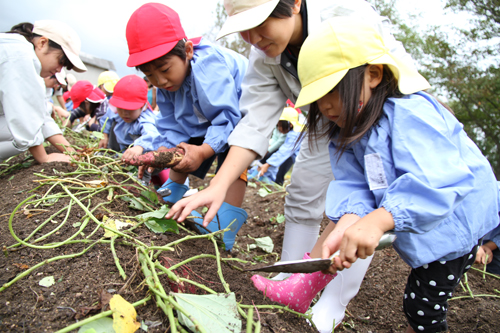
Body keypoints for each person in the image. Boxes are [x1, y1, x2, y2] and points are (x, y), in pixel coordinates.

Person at [166, 0, 414, 329]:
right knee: (301, 196)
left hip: (375, 114)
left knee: (360, 211)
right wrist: (219, 184)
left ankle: (332, 304)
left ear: (295, 3)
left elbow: (387, 79)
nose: (253, 37)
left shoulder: (345, 15)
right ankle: (290, 277)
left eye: (260, 22)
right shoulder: (266, 54)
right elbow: (255, 121)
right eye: (244, 29)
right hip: (324, 118)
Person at [250, 18, 499, 333]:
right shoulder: (351, 128)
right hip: (421, 220)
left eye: (332, 90)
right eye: (317, 98)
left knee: (422, 305)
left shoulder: (410, 113)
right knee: (414, 293)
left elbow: (438, 181)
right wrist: (351, 220)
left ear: (373, 74)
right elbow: (356, 184)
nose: (325, 106)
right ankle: (307, 281)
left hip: (453, 225)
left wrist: (380, 219)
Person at [125, 3, 249, 250]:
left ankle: (227, 221)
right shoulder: (167, 86)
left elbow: (225, 117)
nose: (159, 80)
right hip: (214, 112)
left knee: (233, 149)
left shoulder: (209, 68)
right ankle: (174, 188)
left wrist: (203, 151)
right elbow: (173, 128)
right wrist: (159, 155)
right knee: (186, 138)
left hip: (241, 106)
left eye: (164, 69)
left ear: (188, 51)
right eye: (150, 75)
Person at [0, 20, 86, 163]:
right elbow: (24, 117)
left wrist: (71, 152)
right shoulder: (20, 54)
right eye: (61, 61)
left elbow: (41, 116)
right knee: (21, 133)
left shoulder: (22, 52)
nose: (60, 70)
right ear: (42, 43)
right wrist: (45, 158)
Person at [252, 107, 303, 185]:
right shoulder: (291, 131)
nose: (279, 129)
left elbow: (284, 151)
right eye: (278, 126)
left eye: (281, 126)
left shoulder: (295, 134)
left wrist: (267, 164)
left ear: (291, 124)